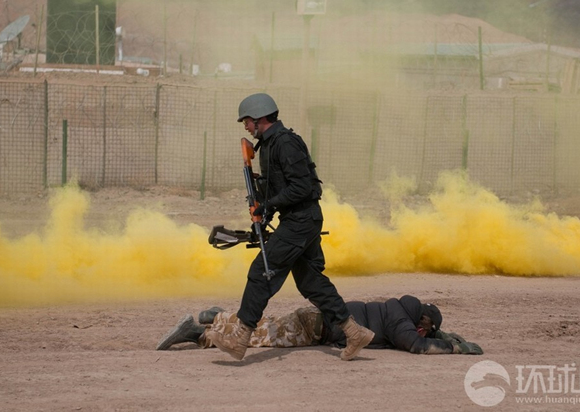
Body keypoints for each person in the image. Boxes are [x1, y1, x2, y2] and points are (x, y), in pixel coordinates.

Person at [207, 93, 374, 361]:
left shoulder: (285, 143)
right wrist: (264, 202)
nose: (245, 127)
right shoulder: (270, 145)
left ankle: (239, 339)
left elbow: (302, 187)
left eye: (246, 121)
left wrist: (269, 204)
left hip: (301, 220)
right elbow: (283, 186)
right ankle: (354, 333)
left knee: (261, 271)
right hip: (298, 219)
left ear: (260, 118)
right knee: (310, 282)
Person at [156, 295, 483, 355]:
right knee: (256, 339)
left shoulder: (396, 308)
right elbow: (415, 345)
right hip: (316, 327)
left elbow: (416, 335)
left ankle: (218, 316)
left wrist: (445, 334)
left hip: (315, 317)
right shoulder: (400, 321)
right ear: (421, 321)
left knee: (264, 325)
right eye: (426, 327)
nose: (423, 331)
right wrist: (455, 347)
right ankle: (198, 334)